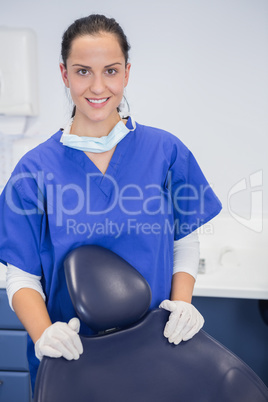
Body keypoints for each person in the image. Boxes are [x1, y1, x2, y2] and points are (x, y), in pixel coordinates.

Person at [0, 14, 222, 395]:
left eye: (111, 70)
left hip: (154, 351)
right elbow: (21, 275)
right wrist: (44, 334)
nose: (98, 86)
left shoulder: (165, 151)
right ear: (65, 74)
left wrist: (182, 304)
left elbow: (183, 239)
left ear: (127, 73)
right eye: (83, 71)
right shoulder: (33, 171)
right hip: (72, 359)